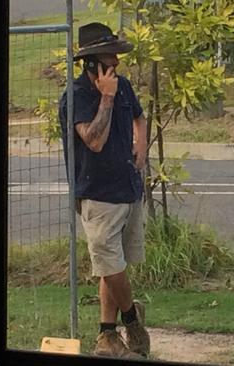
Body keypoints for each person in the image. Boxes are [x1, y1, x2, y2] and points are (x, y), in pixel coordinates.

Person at [58, 22, 150, 359]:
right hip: (97, 194)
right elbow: (94, 141)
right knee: (108, 264)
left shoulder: (124, 88)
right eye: (110, 61)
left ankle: (107, 334)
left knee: (116, 264)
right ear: (93, 63)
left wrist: (141, 144)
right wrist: (106, 98)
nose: (117, 66)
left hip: (127, 186)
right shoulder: (76, 96)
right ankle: (132, 320)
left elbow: (140, 117)